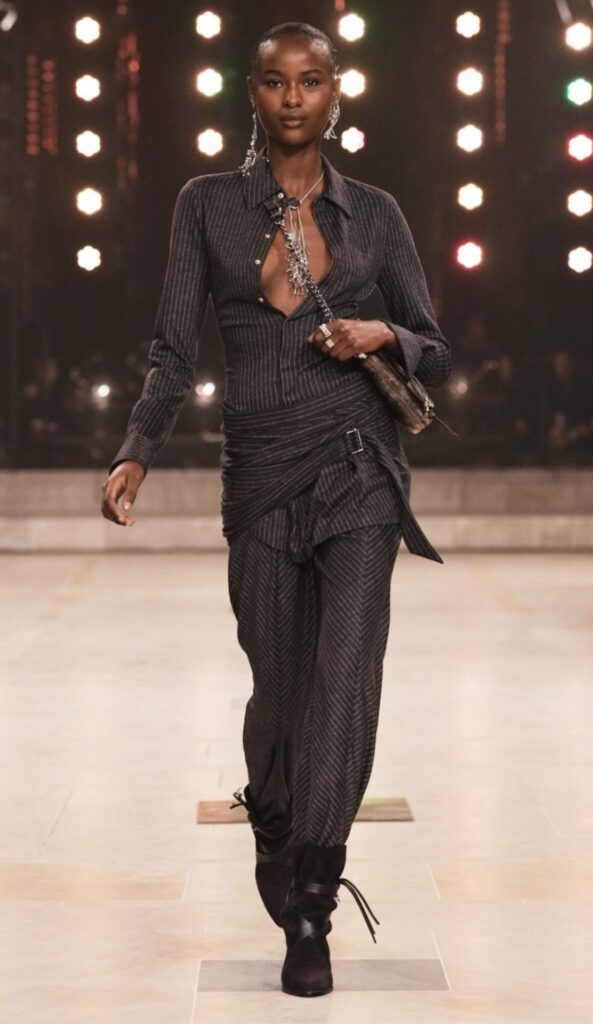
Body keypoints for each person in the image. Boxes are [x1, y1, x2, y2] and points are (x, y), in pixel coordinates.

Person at [101, 20, 452, 998]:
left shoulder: (373, 214)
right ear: (250, 93)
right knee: (281, 689)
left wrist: (381, 331)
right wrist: (135, 448)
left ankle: (312, 902)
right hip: (258, 478)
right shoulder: (207, 205)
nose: (292, 97)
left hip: (359, 474)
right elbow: (173, 350)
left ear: (336, 93)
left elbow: (432, 346)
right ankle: (275, 817)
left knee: (344, 682)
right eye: (273, 81)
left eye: (310, 80)